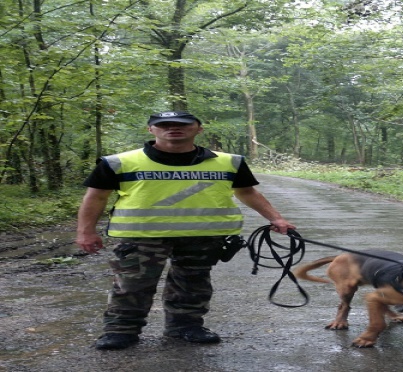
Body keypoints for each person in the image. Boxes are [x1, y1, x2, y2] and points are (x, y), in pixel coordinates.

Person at [76, 111, 295, 350]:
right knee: (132, 284)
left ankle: (185, 327)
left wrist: (277, 219)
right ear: (151, 129)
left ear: (199, 129)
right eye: (164, 125)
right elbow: (96, 197)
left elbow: (248, 192)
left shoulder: (228, 162)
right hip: (141, 236)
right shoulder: (119, 162)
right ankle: (121, 331)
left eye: (182, 124)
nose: (173, 128)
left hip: (203, 236)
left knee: (193, 282)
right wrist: (86, 232)